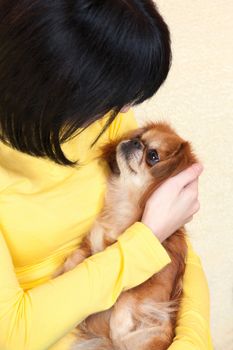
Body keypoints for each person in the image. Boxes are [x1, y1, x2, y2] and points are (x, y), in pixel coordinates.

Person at [0, 1, 213, 349]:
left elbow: (173, 244)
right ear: (55, 84)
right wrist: (143, 243)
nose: (126, 109)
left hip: (143, 321)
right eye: (114, 94)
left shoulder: (103, 120)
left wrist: (192, 337)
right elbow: (13, 334)